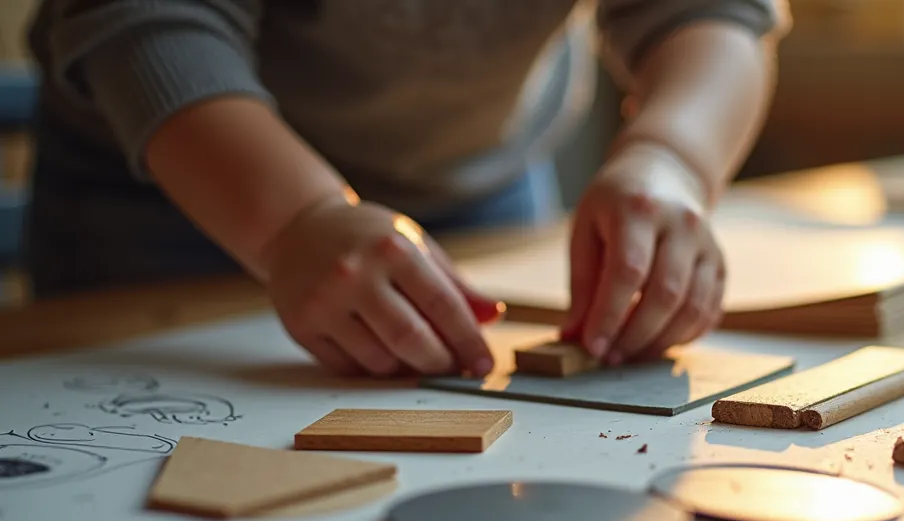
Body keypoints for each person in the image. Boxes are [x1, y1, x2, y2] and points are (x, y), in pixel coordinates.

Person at [23, 0, 789, 378]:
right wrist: (298, 221)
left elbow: (713, 13)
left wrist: (671, 162)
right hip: (171, 194)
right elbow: (147, 22)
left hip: (478, 192)